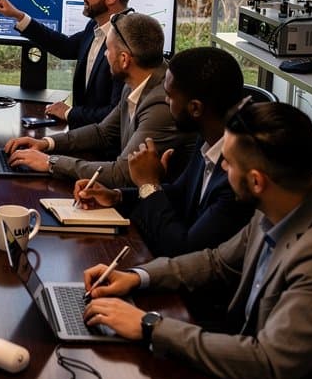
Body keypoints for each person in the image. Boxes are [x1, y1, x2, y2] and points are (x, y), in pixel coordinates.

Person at [81, 102, 312, 379]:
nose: (221, 166)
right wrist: (137, 277)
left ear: (257, 181)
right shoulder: (284, 199)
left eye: (227, 162)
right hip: (249, 367)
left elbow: (268, 365)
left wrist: (149, 325)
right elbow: (217, 262)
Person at [76, 46, 254, 258]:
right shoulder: (209, 135)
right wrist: (117, 197)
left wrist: (148, 185)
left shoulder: (237, 174)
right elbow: (181, 193)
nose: (166, 102)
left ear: (195, 108)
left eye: (169, 96)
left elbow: (182, 250)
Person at [4, 11, 196, 189]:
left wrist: (49, 163)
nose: (104, 54)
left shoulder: (160, 104)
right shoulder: (137, 80)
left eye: (107, 49)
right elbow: (103, 132)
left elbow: (122, 173)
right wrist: (46, 144)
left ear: (124, 60)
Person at [0, 0, 132, 128]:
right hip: (83, 135)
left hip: (104, 148)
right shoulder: (96, 25)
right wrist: (18, 16)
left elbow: (116, 113)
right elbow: (66, 47)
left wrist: (68, 112)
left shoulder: (129, 40)